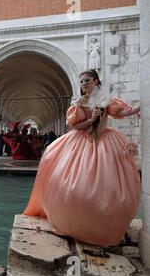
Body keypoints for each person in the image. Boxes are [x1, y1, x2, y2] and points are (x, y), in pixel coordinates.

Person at [23, 69, 141, 247]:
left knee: (111, 185)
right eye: (82, 82)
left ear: (95, 81)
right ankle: (77, 224)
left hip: (105, 141)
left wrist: (137, 109)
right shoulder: (79, 102)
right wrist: (90, 120)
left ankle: (105, 226)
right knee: (73, 184)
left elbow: (120, 113)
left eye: (87, 81)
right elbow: (75, 126)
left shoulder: (105, 99)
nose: (83, 84)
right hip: (82, 141)